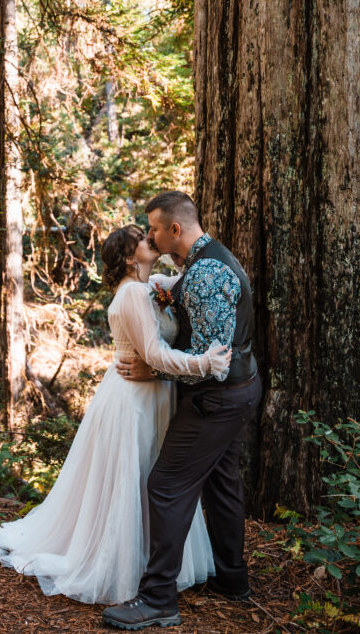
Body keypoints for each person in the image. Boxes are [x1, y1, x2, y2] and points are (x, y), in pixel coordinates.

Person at [0, 224, 231, 605]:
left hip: (152, 393)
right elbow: (153, 355)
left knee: (150, 474)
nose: (149, 240)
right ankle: (125, 566)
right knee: (135, 476)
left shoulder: (148, 287)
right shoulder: (134, 292)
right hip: (134, 398)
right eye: (141, 238)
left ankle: (149, 559)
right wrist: (204, 364)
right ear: (128, 256)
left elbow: (181, 276)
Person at [103, 191, 262, 630]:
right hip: (235, 393)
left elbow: (212, 359)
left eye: (153, 227)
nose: (149, 235)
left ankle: (157, 599)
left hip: (218, 398)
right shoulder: (200, 263)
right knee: (221, 484)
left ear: (175, 229)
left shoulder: (207, 272)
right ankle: (232, 579)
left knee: (166, 484)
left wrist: (157, 374)